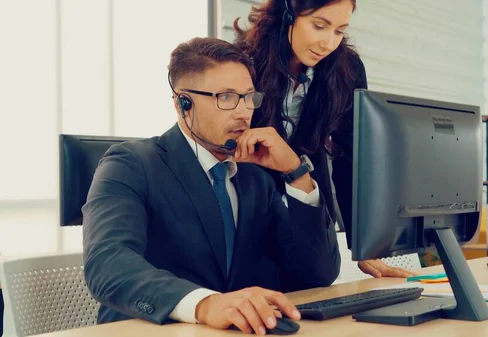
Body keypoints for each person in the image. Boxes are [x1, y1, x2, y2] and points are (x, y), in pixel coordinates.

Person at [83, 37, 341, 334]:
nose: (244, 112)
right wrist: (205, 304)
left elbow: (315, 275)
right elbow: (108, 265)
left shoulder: (254, 177)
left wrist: (297, 174)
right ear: (183, 104)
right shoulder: (130, 165)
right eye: (226, 97)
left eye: (248, 97)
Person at [234, 0, 416, 278]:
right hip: (251, 195)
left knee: (318, 277)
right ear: (287, 15)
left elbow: (351, 154)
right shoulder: (244, 61)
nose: (328, 43)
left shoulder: (347, 68)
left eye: (339, 31)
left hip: (307, 189)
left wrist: (363, 245)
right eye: (319, 26)